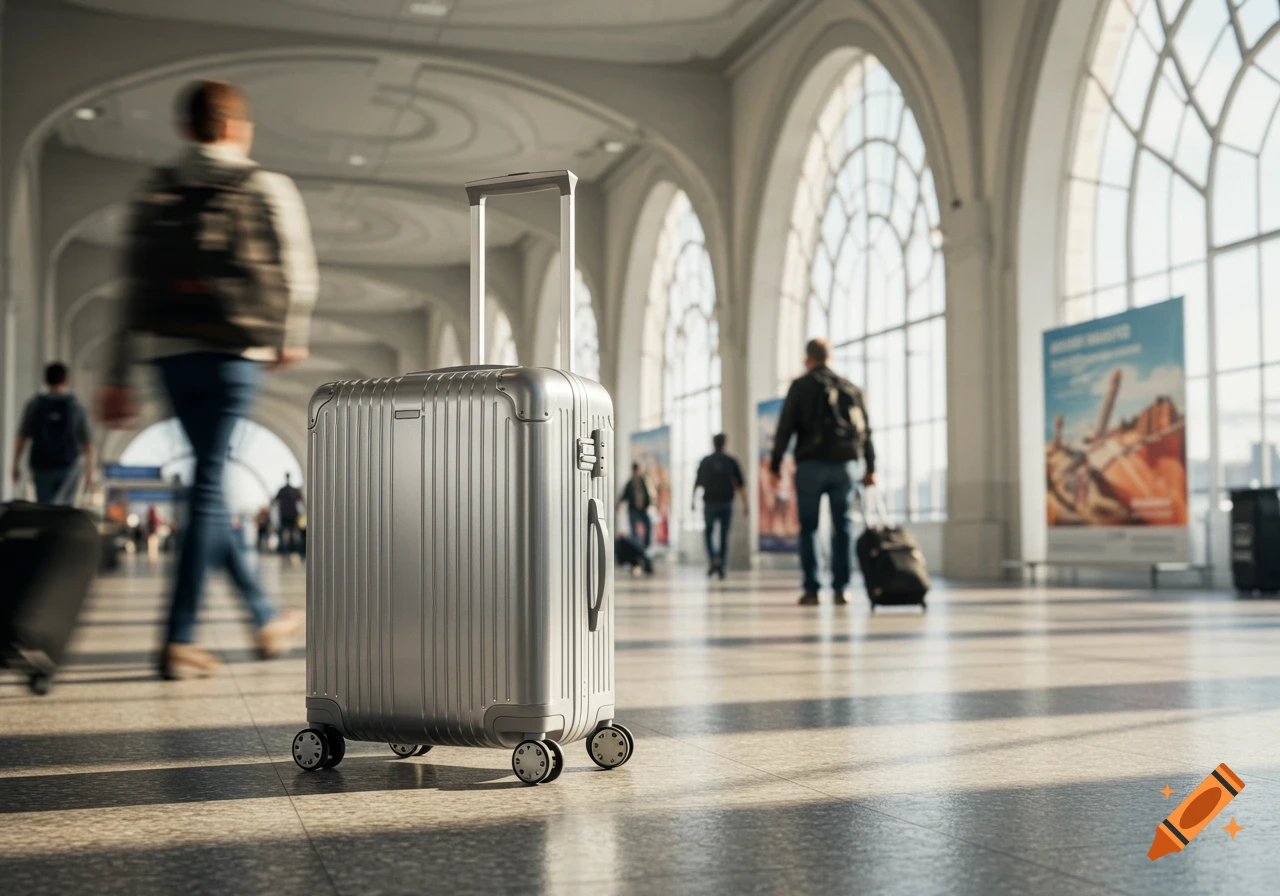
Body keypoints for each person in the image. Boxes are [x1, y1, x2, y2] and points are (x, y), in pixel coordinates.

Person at [98, 79, 318, 680]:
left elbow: (133, 286)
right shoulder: (265, 185)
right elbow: (297, 268)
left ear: (186, 127)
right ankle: (178, 637)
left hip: (169, 353)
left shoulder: (158, 189)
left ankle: (262, 614)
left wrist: (117, 372)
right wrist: (288, 331)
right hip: (232, 350)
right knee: (209, 480)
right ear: (235, 127)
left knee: (209, 480)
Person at [769, 338, 877, 606]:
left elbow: (785, 428)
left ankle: (812, 589)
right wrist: (871, 467)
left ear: (808, 359)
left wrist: (775, 465)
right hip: (845, 466)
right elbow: (866, 430)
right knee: (844, 527)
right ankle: (842, 588)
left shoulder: (800, 386)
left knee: (810, 528)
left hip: (810, 466)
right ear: (831, 358)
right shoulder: (849, 387)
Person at [11, 362, 95, 504]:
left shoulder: (35, 404)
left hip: (41, 465)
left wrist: (15, 465)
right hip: (69, 465)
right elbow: (88, 443)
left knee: (45, 506)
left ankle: (48, 525)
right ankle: (62, 525)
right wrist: (89, 473)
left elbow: (21, 437)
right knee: (65, 508)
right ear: (66, 381)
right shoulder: (76, 406)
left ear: (46, 381)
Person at [692, 433, 748, 579]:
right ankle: (720, 563)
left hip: (710, 502)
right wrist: (745, 504)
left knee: (709, 533)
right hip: (725, 502)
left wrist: (692, 501)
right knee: (723, 534)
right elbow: (741, 485)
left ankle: (713, 559)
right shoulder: (730, 461)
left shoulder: (705, 461)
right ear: (725, 444)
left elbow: (697, 483)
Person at [618, 462, 654, 550]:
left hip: (643, 509)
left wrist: (649, 504)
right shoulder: (631, 482)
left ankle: (645, 546)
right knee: (634, 530)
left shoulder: (643, 480)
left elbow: (648, 494)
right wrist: (619, 504)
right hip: (633, 509)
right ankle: (636, 547)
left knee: (648, 525)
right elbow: (625, 494)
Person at [274, 473, 304, 558]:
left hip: (284, 514)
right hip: (293, 515)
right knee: (292, 531)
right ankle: (292, 548)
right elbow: (300, 502)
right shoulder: (294, 490)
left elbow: (275, 501)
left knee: (284, 531)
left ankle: (285, 548)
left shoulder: (282, 490)